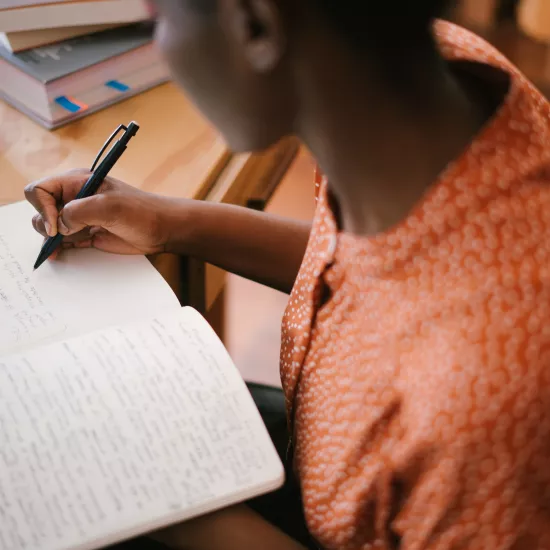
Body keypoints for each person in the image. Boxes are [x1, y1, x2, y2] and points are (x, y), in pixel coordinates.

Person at [25, 0, 550, 548]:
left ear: (255, 24)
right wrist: (168, 221)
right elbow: (371, 271)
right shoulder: (420, 83)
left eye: (158, 21)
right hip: (324, 442)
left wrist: (163, 497)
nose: (158, 49)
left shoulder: (485, 404)